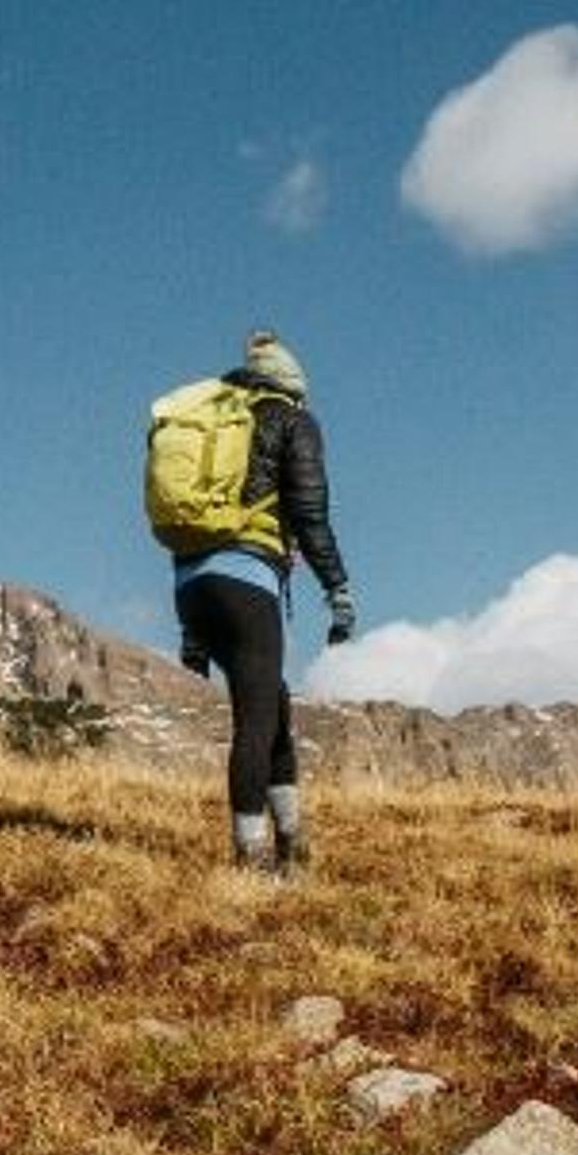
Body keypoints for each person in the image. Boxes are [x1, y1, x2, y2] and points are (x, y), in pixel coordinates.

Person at [167, 330, 355, 872]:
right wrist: (337, 588)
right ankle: (251, 862)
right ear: (294, 386)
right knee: (255, 720)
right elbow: (311, 513)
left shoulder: (213, 421)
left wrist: (193, 632)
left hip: (191, 585)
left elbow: (191, 515)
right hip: (245, 584)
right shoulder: (292, 420)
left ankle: (293, 845)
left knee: (274, 708)